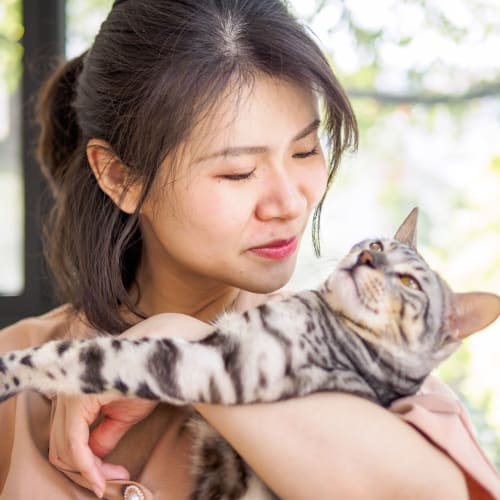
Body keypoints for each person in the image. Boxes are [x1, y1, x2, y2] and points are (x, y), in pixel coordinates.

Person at [0, 0, 499, 498]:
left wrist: (179, 340)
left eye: (305, 150)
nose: (288, 203)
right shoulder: (17, 367)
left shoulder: (378, 363)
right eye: (238, 171)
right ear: (120, 177)